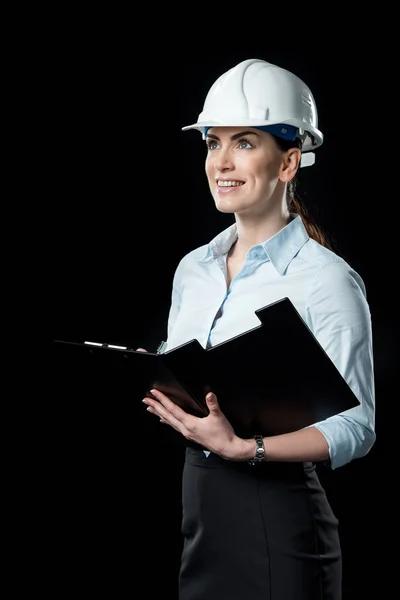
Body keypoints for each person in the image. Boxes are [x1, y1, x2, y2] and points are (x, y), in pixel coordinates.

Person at [141, 58, 376, 599]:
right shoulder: (192, 269)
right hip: (201, 512)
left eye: (244, 143)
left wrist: (247, 449)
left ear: (289, 162)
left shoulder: (327, 280)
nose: (221, 161)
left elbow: (358, 426)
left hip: (278, 519)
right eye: (212, 143)